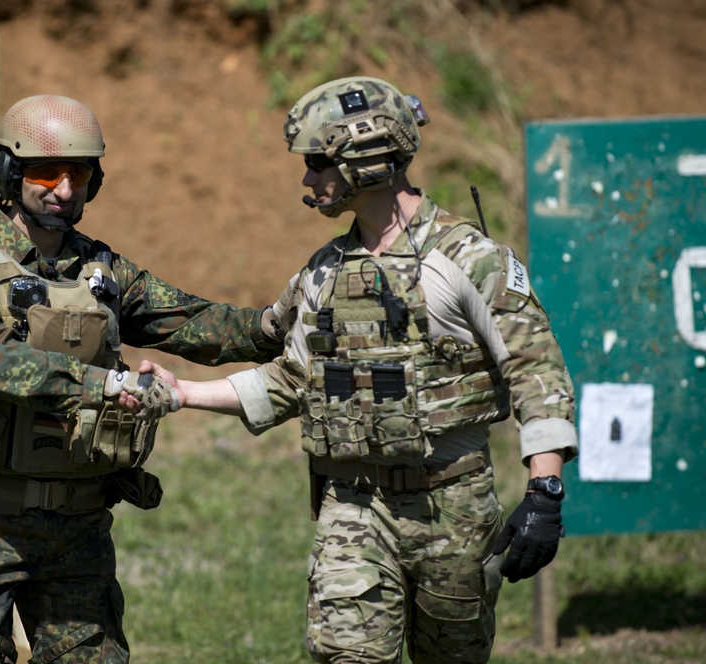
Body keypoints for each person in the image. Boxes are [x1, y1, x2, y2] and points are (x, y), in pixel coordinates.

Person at [135, 77, 578, 663]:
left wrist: (545, 491)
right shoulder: (321, 275)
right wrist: (182, 393)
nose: (306, 179)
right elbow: (291, 378)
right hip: (352, 507)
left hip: (454, 506)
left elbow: (536, 371)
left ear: (364, 156)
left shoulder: (467, 259)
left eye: (317, 162)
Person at [0, 94, 281, 663]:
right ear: (10, 173)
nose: (62, 189)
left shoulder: (104, 272)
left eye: (76, 172)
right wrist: (105, 386)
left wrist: (281, 322)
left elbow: (194, 322)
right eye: (45, 172)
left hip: (78, 523)